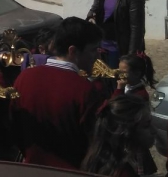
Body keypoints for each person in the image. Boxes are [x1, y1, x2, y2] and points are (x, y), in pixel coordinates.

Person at [11, 16, 104, 169]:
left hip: (31, 169)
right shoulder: (84, 90)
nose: (98, 57)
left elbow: (15, 128)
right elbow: (95, 144)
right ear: (73, 51)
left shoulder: (24, 77)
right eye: (93, 50)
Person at [81, 95, 155, 177]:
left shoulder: (98, 160)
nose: (154, 131)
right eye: (146, 125)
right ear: (126, 133)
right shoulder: (123, 173)